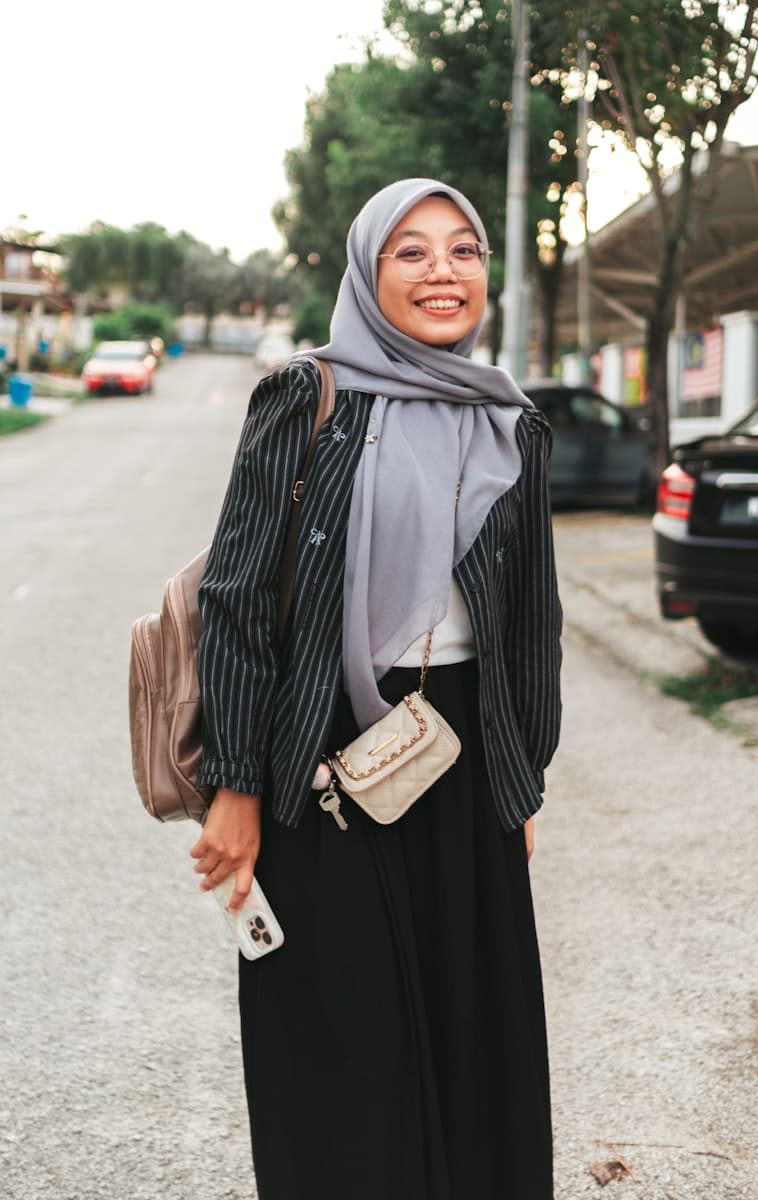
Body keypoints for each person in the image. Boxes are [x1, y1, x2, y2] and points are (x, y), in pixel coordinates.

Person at [190, 177, 563, 1200]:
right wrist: (235, 781)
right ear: (367, 270)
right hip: (323, 757)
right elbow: (233, 594)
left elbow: (529, 618)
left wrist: (521, 773)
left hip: (461, 752)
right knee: (340, 1039)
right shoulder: (306, 398)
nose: (442, 271)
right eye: (411, 251)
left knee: (469, 1030)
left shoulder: (509, 423)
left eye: (462, 250)